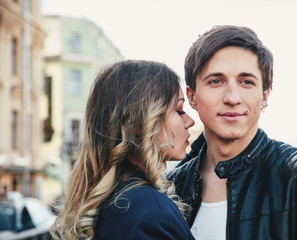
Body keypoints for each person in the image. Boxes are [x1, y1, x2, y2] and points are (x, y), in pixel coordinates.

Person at [168, 25, 297, 239]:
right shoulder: (171, 187)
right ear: (192, 97)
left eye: (246, 82)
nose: (232, 97)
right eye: (216, 81)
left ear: (265, 95)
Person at [51, 60, 195, 240]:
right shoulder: (151, 213)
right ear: (137, 123)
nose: (190, 121)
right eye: (179, 110)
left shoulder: (110, 202)